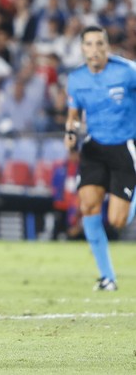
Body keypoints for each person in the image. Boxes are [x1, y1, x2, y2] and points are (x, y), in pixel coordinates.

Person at [65, 25, 136, 292]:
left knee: (118, 221)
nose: (94, 50)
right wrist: (70, 133)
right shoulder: (76, 79)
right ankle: (107, 278)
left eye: (99, 44)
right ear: (82, 49)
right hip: (94, 147)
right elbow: (73, 115)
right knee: (88, 207)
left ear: (107, 47)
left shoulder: (127, 72)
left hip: (124, 147)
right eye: (89, 45)